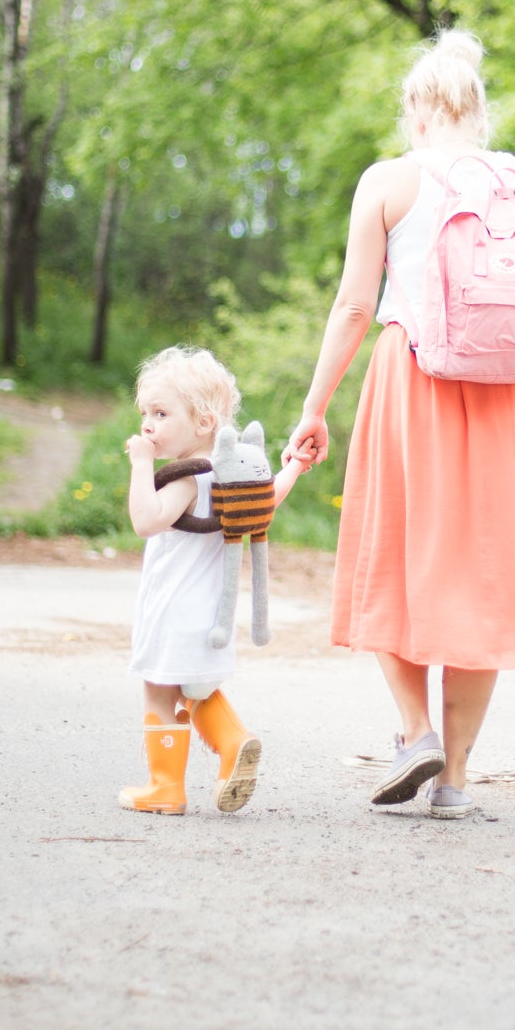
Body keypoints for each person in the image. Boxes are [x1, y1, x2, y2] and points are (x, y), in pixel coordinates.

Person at [284, 30, 515, 819]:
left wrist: (315, 406)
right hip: (510, 400)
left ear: (417, 112)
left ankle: (415, 730)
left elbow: (356, 305)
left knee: (393, 559)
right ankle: (455, 780)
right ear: (479, 110)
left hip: (413, 382)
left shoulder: (389, 182)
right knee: (489, 577)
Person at [119, 344, 303, 816]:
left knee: (160, 692)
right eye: (145, 413)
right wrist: (295, 466)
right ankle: (233, 741)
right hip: (212, 616)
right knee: (197, 689)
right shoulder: (232, 478)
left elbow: (146, 521)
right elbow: (269, 499)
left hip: (172, 613)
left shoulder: (185, 479)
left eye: (161, 413)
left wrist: (142, 465)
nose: (147, 425)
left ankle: (165, 788)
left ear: (203, 424)